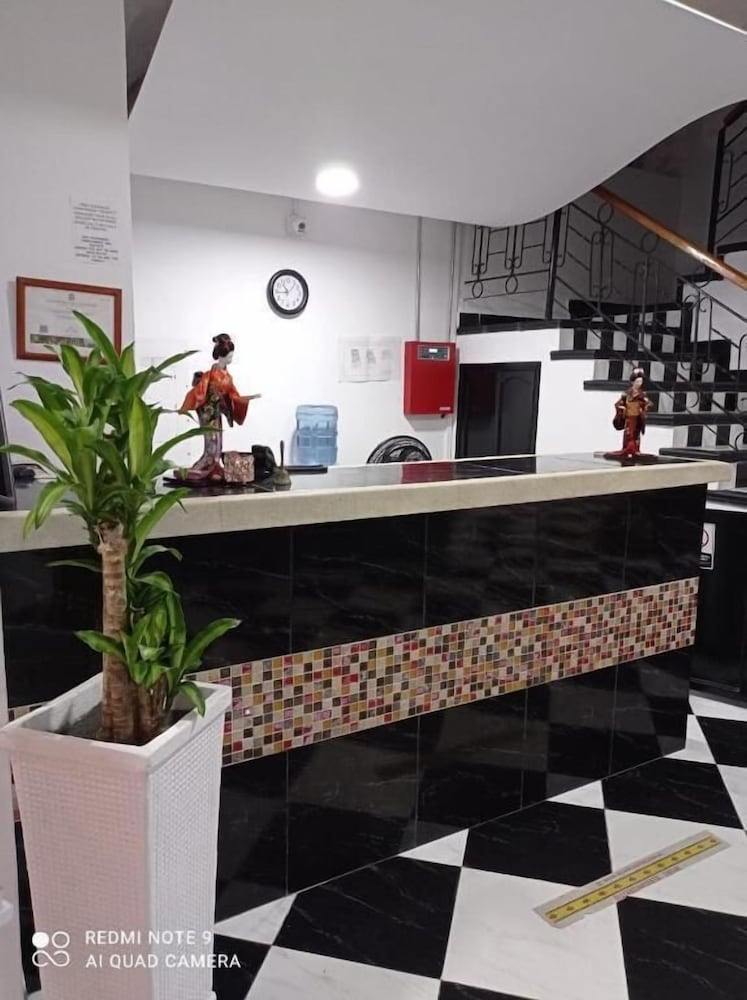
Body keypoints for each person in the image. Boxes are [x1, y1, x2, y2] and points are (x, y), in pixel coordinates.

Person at [178, 334, 260, 482]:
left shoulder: (228, 377)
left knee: (218, 441)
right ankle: (205, 467)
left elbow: (233, 395)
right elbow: (200, 391)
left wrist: (246, 398)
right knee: (212, 441)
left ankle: (214, 467)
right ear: (221, 356)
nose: (231, 359)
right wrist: (199, 403)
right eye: (230, 356)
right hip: (208, 411)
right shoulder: (211, 374)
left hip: (217, 412)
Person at [612, 366, 652, 458]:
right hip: (629, 417)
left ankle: (636, 449)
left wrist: (643, 408)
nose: (639, 384)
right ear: (633, 382)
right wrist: (622, 409)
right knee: (628, 433)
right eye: (637, 382)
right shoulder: (626, 394)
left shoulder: (642, 394)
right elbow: (618, 404)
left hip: (637, 417)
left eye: (640, 382)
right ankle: (627, 448)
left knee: (636, 434)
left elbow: (648, 403)